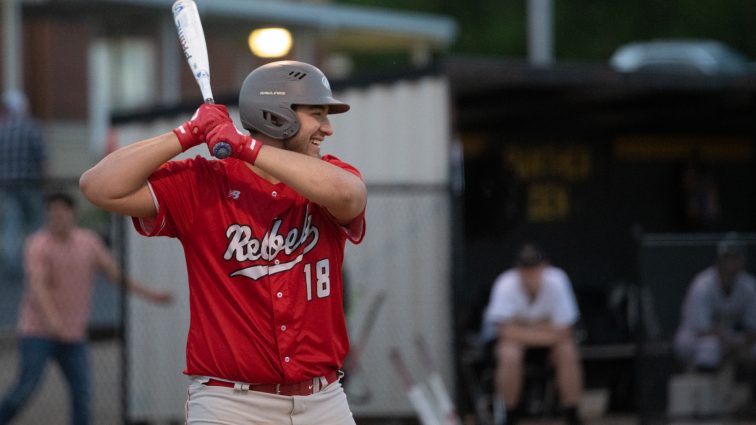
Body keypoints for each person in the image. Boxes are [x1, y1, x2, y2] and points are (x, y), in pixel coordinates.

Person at [79, 60, 367, 424]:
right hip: (231, 403)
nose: (326, 128)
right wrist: (189, 132)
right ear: (276, 116)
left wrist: (244, 146)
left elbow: (349, 195)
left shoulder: (329, 176)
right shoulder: (202, 182)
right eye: (316, 114)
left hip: (323, 399)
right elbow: (97, 186)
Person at [0, 192, 172, 425]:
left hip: (74, 334)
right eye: (52, 213)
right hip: (38, 331)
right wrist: (52, 321)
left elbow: (115, 274)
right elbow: (37, 286)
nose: (57, 217)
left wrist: (151, 294)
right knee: (25, 388)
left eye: (62, 212)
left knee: (82, 395)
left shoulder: (88, 242)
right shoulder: (37, 245)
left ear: (73, 214)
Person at [482, 243, 583, 425]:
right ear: (518, 269)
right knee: (509, 353)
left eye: (535, 268)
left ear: (545, 267)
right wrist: (543, 328)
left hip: (546, 347)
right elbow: (504, 332)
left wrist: (523, 328)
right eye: (526, 268)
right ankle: (510, 415)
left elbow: (565, 331)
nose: (530, 274)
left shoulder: (557, 280)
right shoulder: (505, 284)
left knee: (567, 350)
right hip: (517, 346)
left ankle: (571, 414)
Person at [674, 234, 756, 375]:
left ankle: (746, 393)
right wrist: (732, 343)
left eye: (736, 257)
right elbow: (703, 330)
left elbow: (753, 327)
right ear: (720, 260)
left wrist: (743, 343)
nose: (732, 262)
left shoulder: (748, 285)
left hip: (729, 338)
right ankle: (705, 391)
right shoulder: (702, 284)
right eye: (728, 257)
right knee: (710, 348)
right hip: (692, 339)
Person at [0, 90, 47, 281]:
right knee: (35, 223)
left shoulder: (2, 130)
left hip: (9, 184)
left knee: (12, 224)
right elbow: (42, 157)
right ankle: (36, 261)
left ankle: (12, 262)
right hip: (31, 182)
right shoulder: (31, 128)